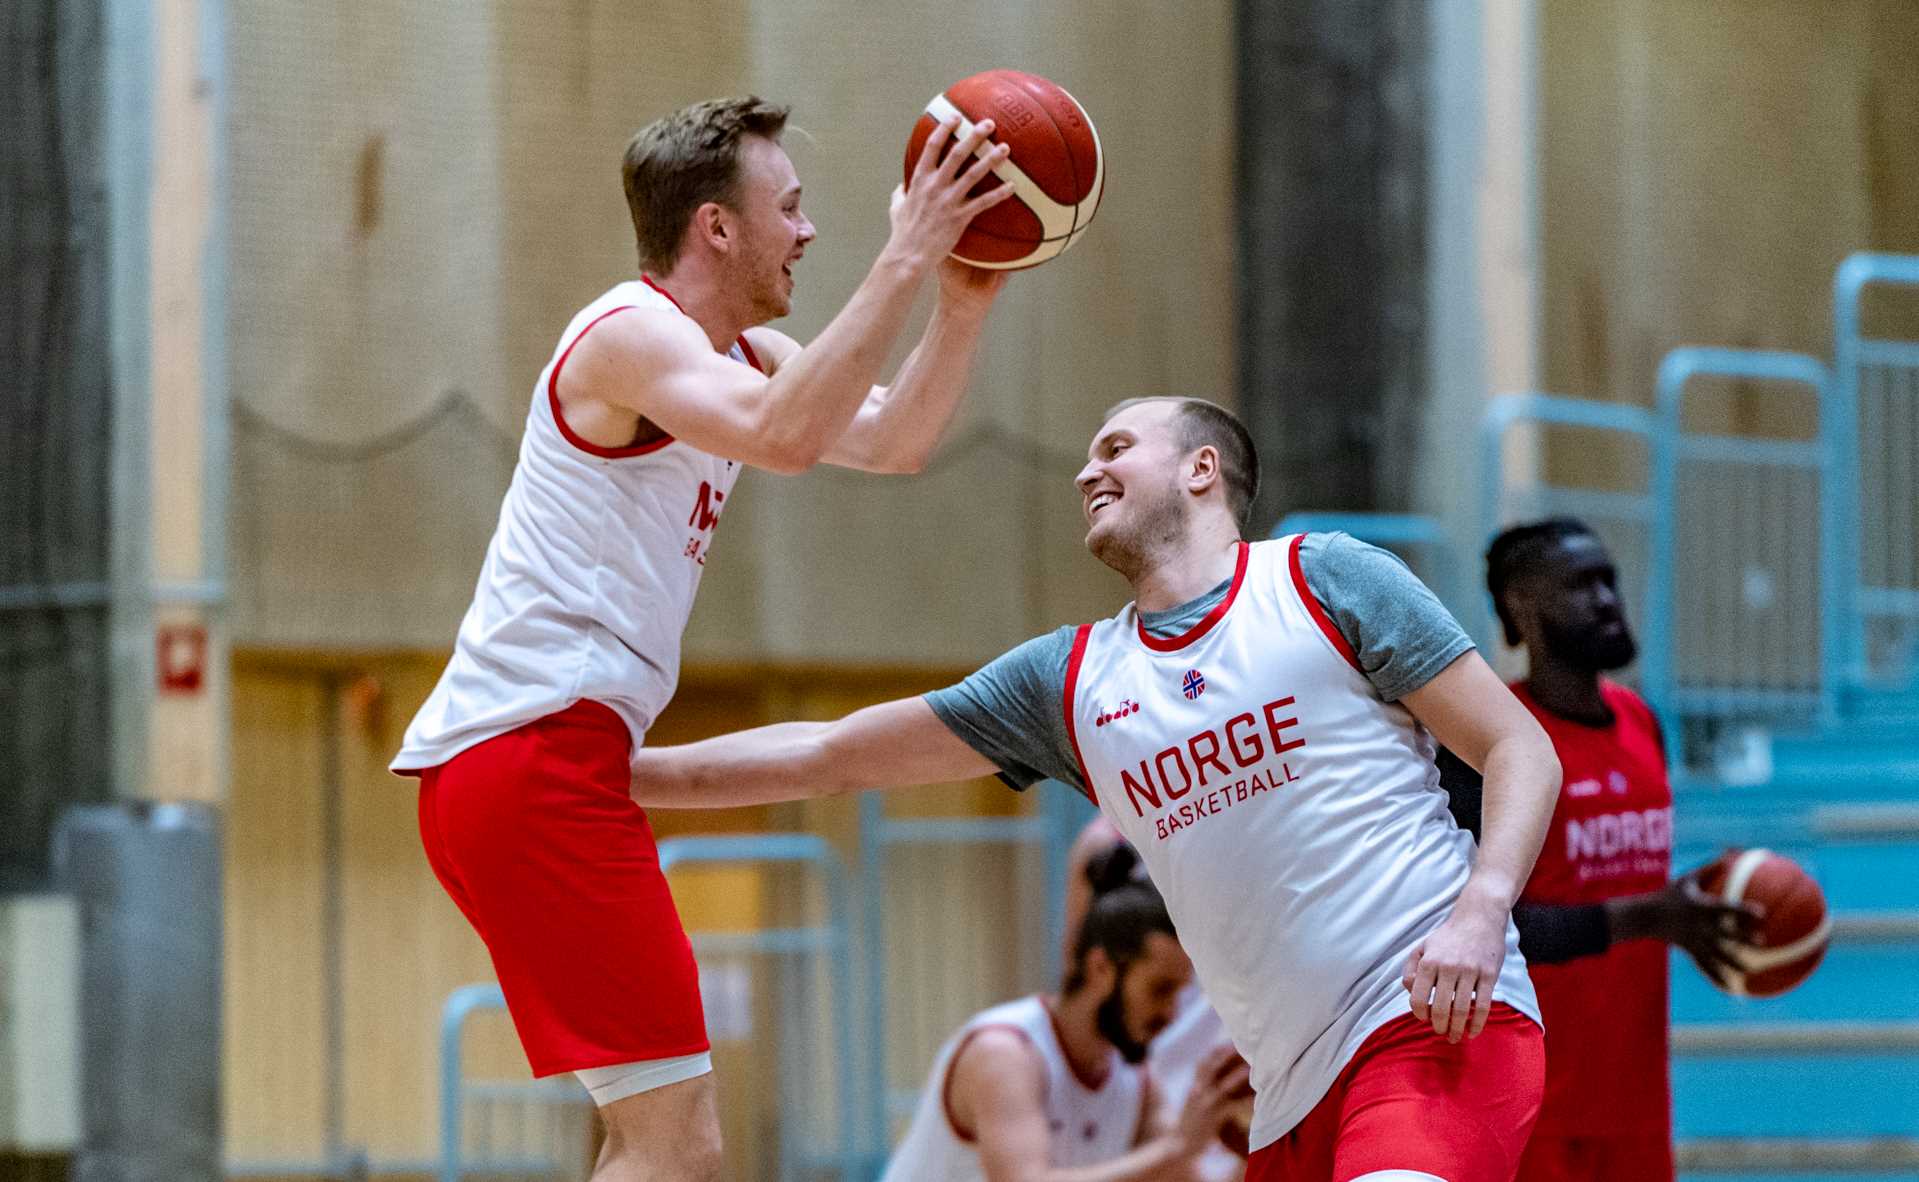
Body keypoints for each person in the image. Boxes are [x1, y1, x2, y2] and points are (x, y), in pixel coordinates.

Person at [628, 395, 1568, 1182]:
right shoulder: (1068, 682)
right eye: (1086, 457)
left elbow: (1518, 746)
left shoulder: (1325, 578)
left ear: (1202, 469)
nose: (1086, 472)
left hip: (1427, 1025)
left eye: (1115, 447)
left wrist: (1482, 908)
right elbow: (830, 754)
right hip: (1287, 1088)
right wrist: (612, 773)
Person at [389, 95, 1016, 1181]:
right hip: (533, 756)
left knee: (662, 1139)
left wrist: (957, 305)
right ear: (717, 228)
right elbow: (783, 439)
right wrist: (904, 255)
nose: (810, 231)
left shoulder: (747, 352)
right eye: (791, 207)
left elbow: (892, 441)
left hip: (537, 760)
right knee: (675, 1147)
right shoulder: (633, 335)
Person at [1437, 518, 1764, 1182]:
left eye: (1609, 580)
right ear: (1522, 610)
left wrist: (1705, 897)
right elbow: (1475, 926)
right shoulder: (1487, 743)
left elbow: (1623, 879)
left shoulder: (1641, 721)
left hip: (1635, 1097)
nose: (1606, 599)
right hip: (1529, 1099)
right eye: (1580, 586)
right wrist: (1644, 916)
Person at [883, 842, 1251, 1181]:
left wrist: (1251, 1151)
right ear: (1101, 968)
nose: (1172, 1014)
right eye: (1160, 990)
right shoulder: (1004, 1052)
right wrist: (1178, 1146)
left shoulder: (1135, 1080)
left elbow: (1177, 1167)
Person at [1061, 818, 1246, 1181]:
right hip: (1138, 1058)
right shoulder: (1106, 840)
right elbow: (1080, 972)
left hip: (1223, 1061)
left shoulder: (1254, 816)